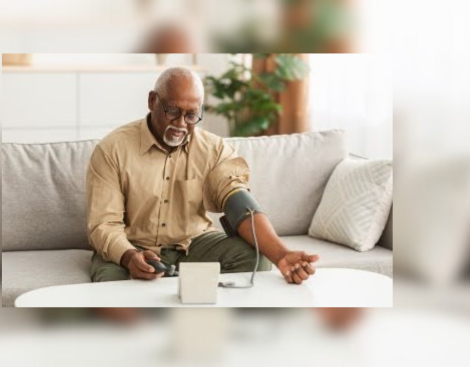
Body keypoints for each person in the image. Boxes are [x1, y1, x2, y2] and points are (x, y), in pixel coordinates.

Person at [86, 67, 318, 284]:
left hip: (193, 245)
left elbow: (239, 206)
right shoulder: (112, 150)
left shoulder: (215, 150)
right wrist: (128, 257)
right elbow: (104, 225)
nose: (180, 124)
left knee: (256, 258)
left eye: (191, 115)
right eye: (173, 111)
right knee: (110, 282)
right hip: (132, 245)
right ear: (152, 101)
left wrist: (281, 254)